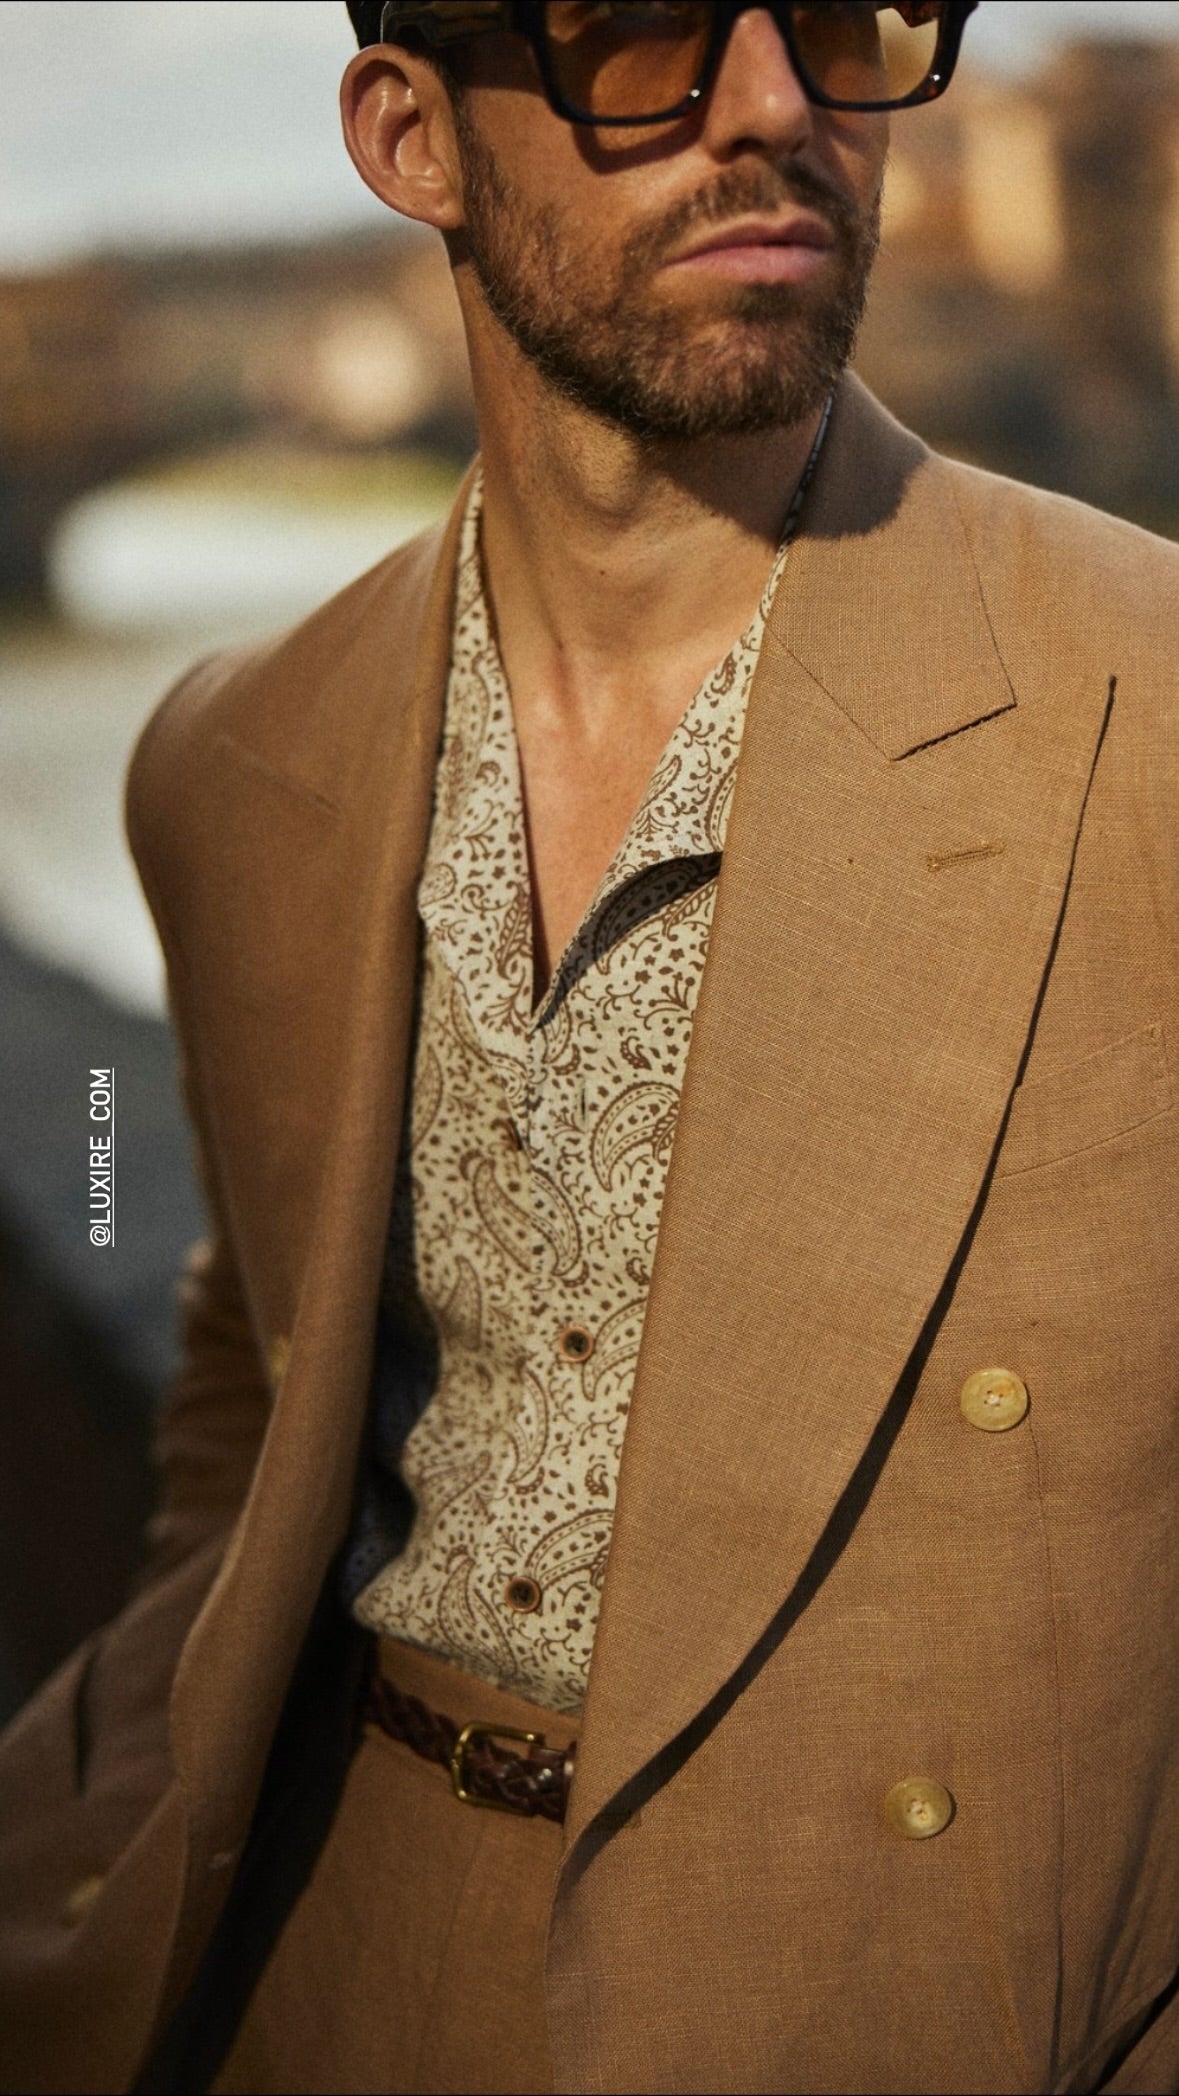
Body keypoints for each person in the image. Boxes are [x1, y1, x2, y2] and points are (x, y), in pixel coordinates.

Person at [3, 1, 1179, 2089]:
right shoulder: (232, 759)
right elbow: (247, 1358)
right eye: (636, 34)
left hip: (896, 2000)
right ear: (412, 137)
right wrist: (103, 1806)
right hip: (318, 1958)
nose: (775, 104)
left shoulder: (1142, 708)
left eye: (838, 19)